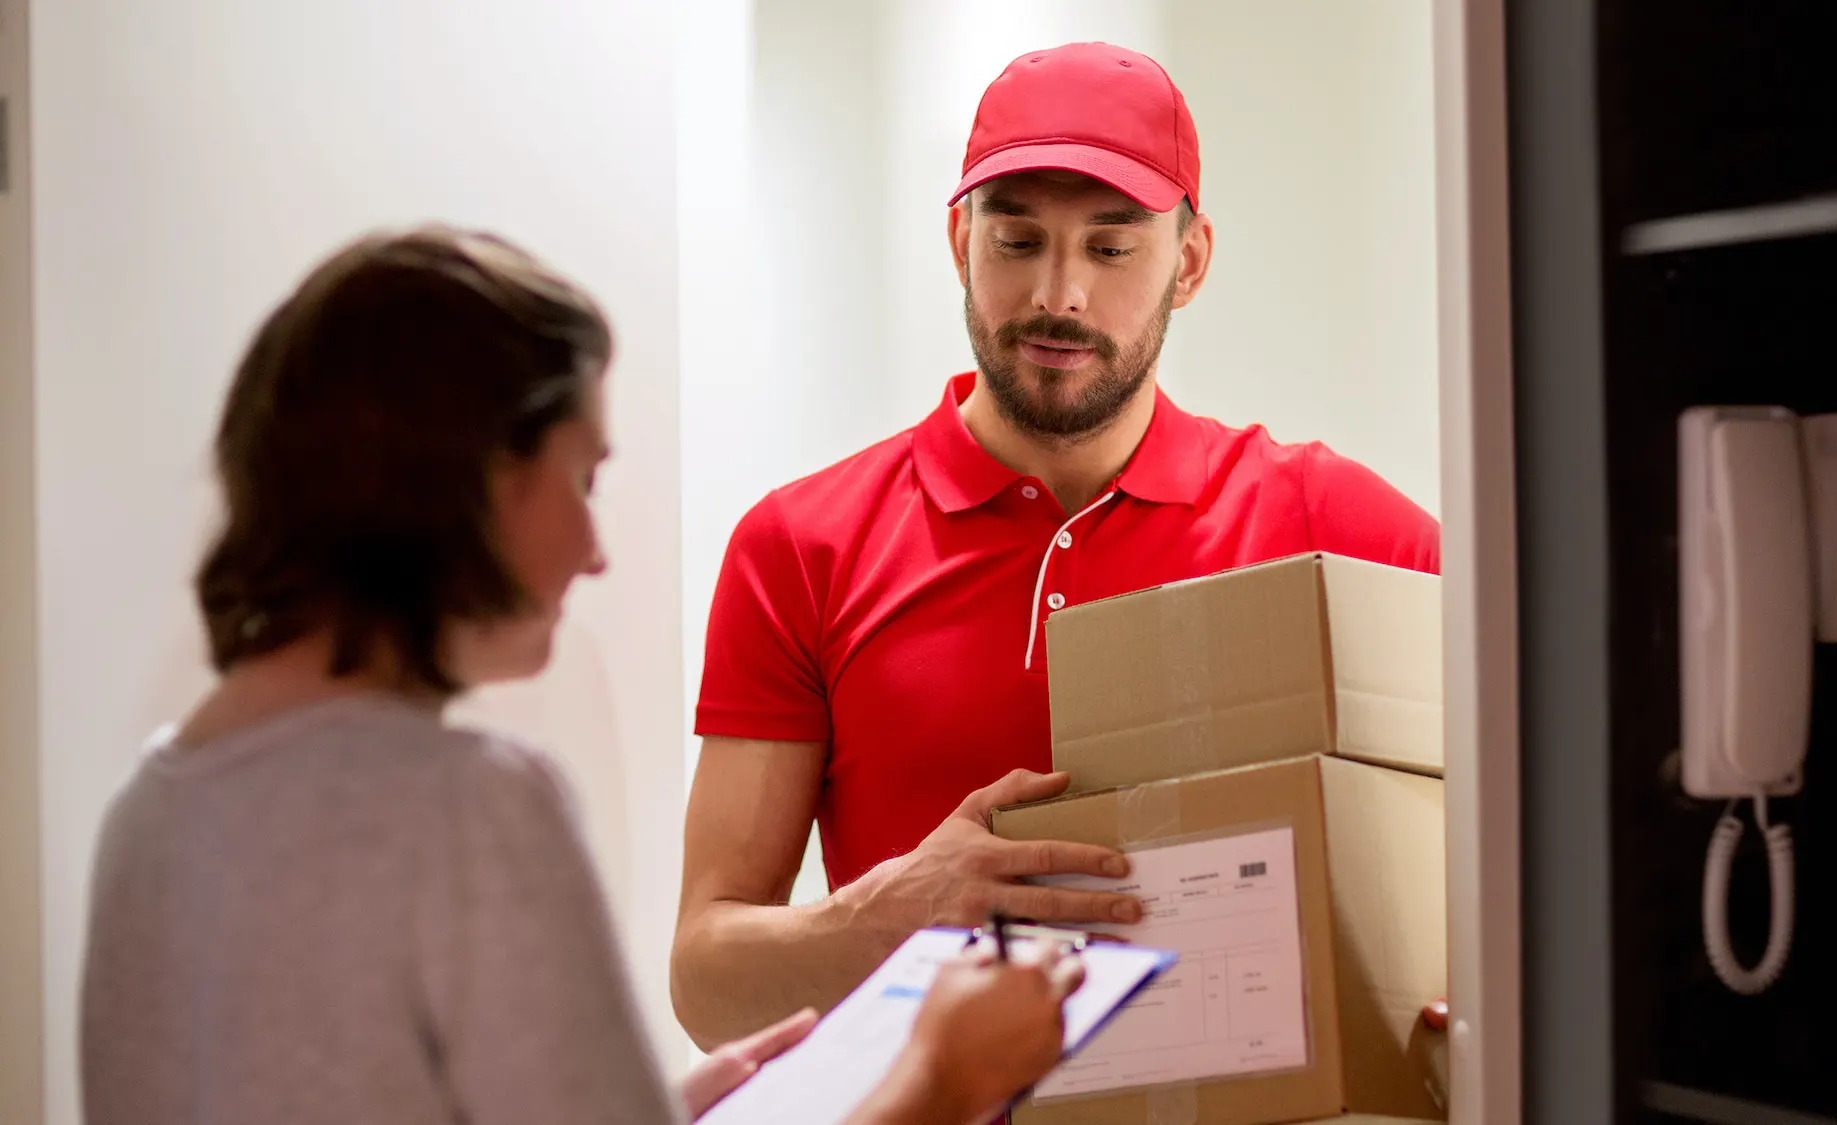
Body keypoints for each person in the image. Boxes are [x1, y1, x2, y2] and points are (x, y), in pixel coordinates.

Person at [79, 227, 1084, 1125]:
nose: (595, 549)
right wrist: (941, 1083)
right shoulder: (473, 807)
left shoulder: (150, 807)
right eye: (581, 477)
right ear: (468, 479)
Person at [673, 39, 1444, 1048]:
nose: (1057, 296)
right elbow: (704, 981)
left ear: (1190, 261)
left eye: (1111, 248)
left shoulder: (1325, 524)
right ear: (959, 242)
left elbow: (1533, 816)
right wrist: (885, 921)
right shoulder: (801, 546)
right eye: (1016, 241)